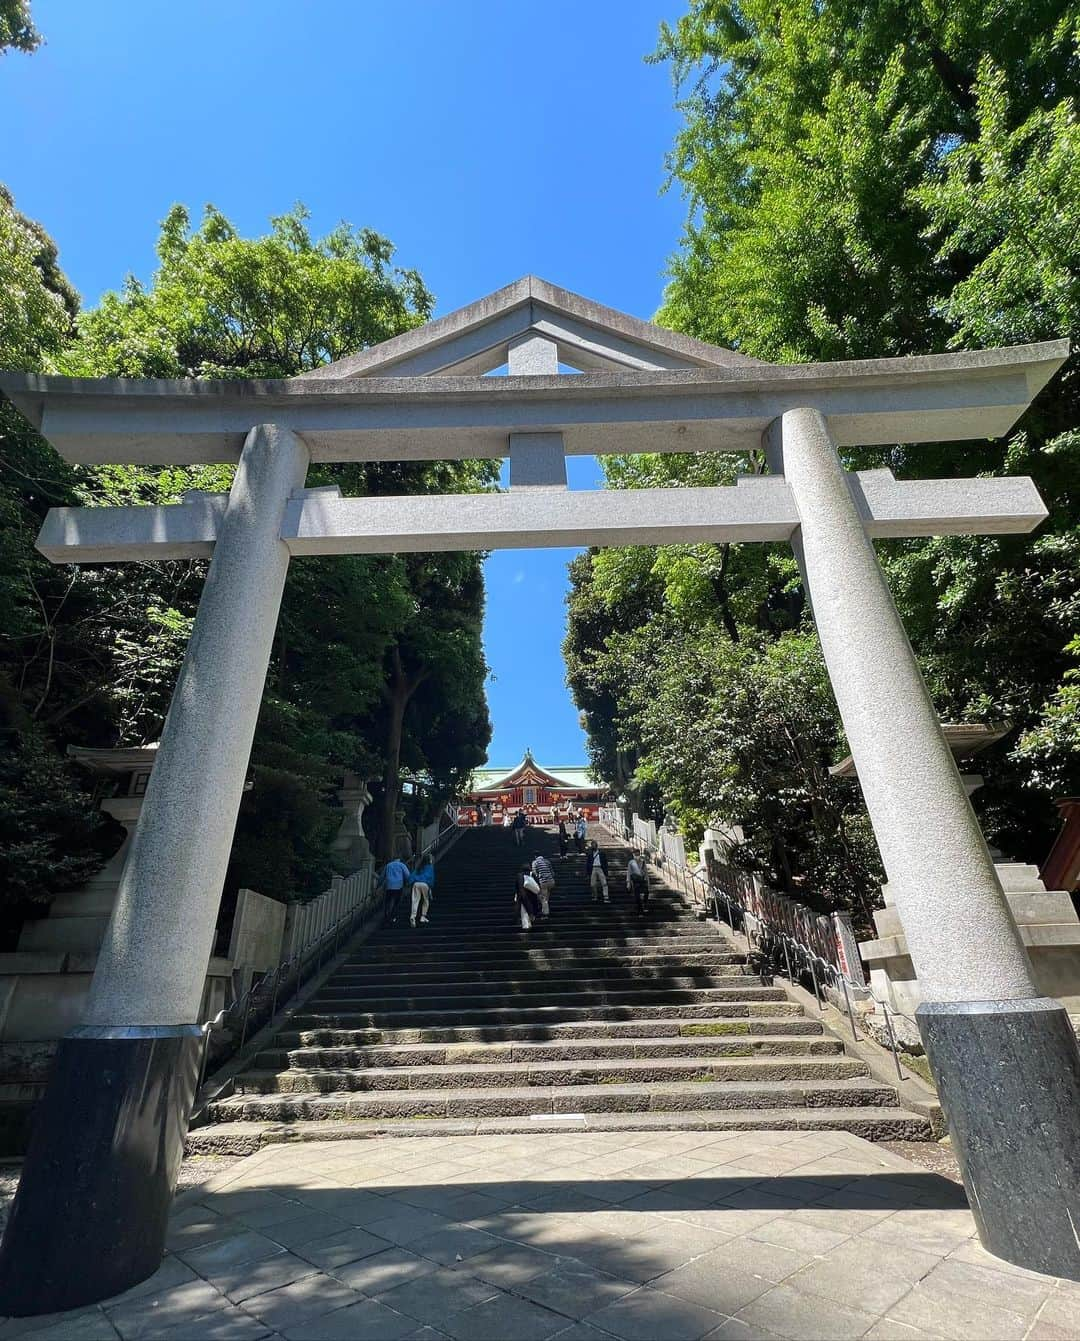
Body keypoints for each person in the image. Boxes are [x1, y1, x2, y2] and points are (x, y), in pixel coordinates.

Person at [380, 854, 412, 925]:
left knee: (388, 900)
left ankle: (386, 914)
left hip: (389, 886)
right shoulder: (402, 865)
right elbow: (407, 875)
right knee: (396, 902)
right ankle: (393, 916)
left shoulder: (388, 865)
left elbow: (382, 876)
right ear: (399, 859)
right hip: (398, 886)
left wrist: (379, 884)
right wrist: (408, 883)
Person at [410, 856, 435, 927]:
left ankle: (413, 916)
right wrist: (430, 887)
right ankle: (423, 916)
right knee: (426, 900)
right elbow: (432, 878)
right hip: (425, 884)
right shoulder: (430, 867)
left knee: (415, 900)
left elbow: (412, 875)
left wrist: (410, 882)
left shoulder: (419, 867)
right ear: (429, 860)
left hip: (416, 883)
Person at [515, 864, 542, 930]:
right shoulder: (531, 874)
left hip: (522, 895)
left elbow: (517, 886)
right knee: (532, 907)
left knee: (524, 910)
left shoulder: (519, 875)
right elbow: (537, 884)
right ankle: (531, 919)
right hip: (532, 894)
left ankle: (526, 926)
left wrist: (516, 894)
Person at [531, 853, 555, 917]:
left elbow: (534, 872)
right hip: (551, 881)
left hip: (543, 882)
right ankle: (546, 909)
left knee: (542, 898)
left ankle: (545, 914)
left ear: (535, 856)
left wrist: (537, 879)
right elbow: (552, 872)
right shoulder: (547, 861)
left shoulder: (535, 862)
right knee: (546, 897)